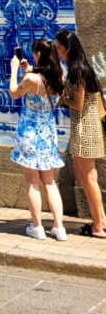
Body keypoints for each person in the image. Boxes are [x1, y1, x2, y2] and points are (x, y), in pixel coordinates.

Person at [9, 40, 67, 241]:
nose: (33, 57)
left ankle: (37, 226)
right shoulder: (60, 76)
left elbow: (14, 93)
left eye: (34, 54)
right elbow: (45, 76)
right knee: (50, 182)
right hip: (48, 135)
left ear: (39, 55)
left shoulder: (32, 80)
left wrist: (15, 69)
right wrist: (30, 68)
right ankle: (59, 228)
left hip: (30, 134)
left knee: (32, 182)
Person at [55, 29, 106, 238]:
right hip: (87, 127)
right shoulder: (80, 68)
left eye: (59, 48)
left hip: (85, 128)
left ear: (68, 48)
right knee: (87, 176)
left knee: (87, 178)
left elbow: (78, 103)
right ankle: (100, 221)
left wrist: (62, 100)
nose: (58, 52)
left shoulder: (78, 70)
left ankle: (99, 224)